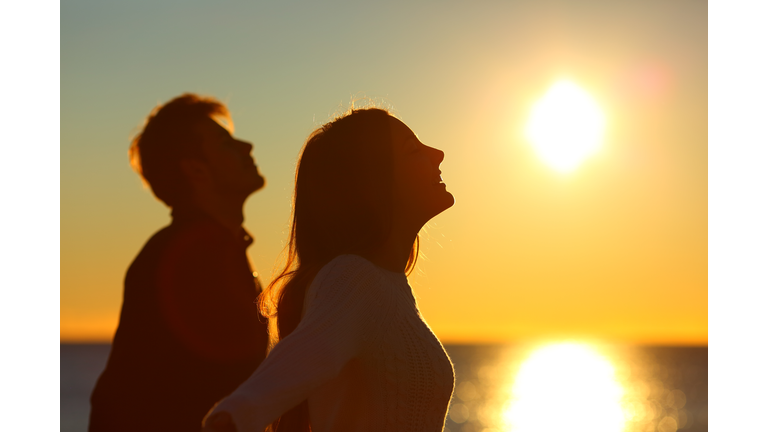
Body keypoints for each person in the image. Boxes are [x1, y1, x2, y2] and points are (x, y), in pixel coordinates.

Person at [201, 108, 456, 432]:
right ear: (373, 181)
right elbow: (301, 359)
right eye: (413, 151)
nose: (438, 154)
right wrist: (233, 418)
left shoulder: (387, 286)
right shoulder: (354, 279)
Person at [89, 94, 270, 432]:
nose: (246, 146)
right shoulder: (184, 257)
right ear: (196, 169)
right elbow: (125, 396)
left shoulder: (215, 249)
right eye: (226, 143)